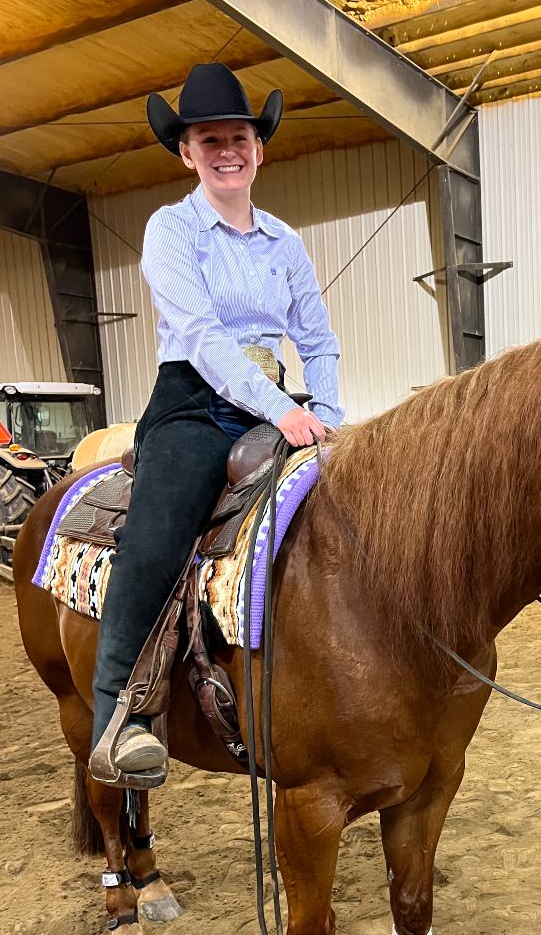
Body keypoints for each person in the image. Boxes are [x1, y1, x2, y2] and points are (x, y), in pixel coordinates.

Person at [90, 63, 344, 780]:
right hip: (194, 402)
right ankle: (123, 716)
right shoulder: (171, 230)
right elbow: (200, 337)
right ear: (187, 152)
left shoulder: (285, 243)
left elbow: (318, 341)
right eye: (210, 141)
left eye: (238, 138)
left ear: (259, 149)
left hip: (279, 402)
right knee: (158, 533)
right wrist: (284, 411)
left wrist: (325, 413)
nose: (226, 151)